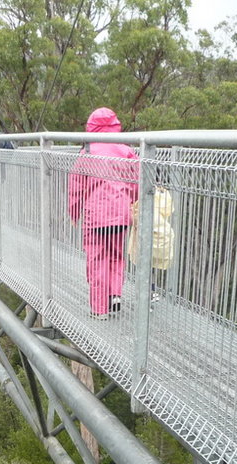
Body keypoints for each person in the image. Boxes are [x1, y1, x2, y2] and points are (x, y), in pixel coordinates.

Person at [67, 107, 138, 318]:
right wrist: (133, 203)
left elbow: (76, 186)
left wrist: (74, 213)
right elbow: (136, 181)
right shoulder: (125, 150)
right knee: (116, 256)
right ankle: (115, 294)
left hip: (95, 217)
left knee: (97, 260)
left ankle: (99, 309)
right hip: (121, 214)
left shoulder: (87, 152)